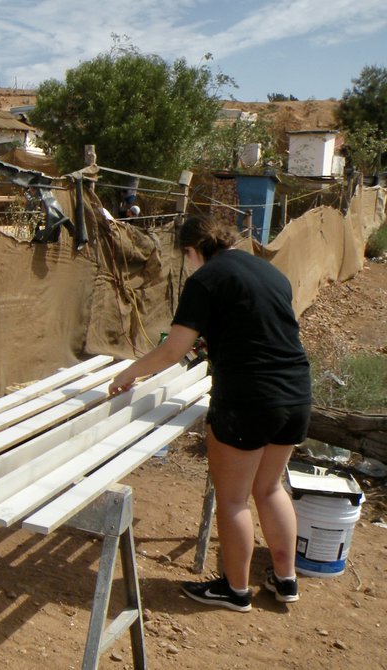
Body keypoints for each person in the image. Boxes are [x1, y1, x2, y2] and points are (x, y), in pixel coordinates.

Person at [108, 215, 311, 612]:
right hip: (296, 393)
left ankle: (235, 591)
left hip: (248, 398)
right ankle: (286, 581)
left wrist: (129, 372)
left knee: (234, 499)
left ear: (192, 250)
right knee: (269, 488)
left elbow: (173, 349)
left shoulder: (206, 278)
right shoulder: (271, 273)